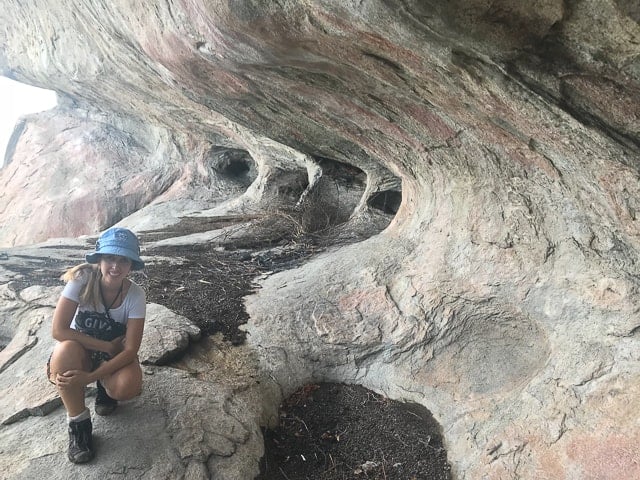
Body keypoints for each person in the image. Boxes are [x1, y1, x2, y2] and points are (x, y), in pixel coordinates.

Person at [47, 227, 147, 464]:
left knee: (128, 385)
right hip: (83, 353)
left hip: (109, 360)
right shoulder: (81, 280)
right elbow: (58, 331)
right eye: (111, 258)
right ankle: (79, 425)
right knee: (64, 351)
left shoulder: (136, 295)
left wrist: (92, 376)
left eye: (124, 260)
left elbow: (131, 349)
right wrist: (104, 345)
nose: (116, 266)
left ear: (131, 265)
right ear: (100, 259)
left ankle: (104, 388)